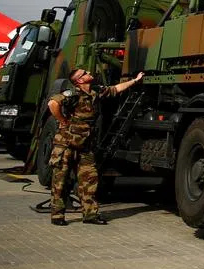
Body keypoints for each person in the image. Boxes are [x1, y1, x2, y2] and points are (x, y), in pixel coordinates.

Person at [47, 67, 144, 226]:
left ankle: (90, 214)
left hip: (86, 144)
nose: (88, 73)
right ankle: (57, 215)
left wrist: (134, 81)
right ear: (79, 81)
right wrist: (63, 120)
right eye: (84, 73)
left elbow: (115, 89)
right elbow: (53, 103)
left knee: (90, 179)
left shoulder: (96, 91)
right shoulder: (72, 93)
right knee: (61, 180)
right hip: (66, 143)